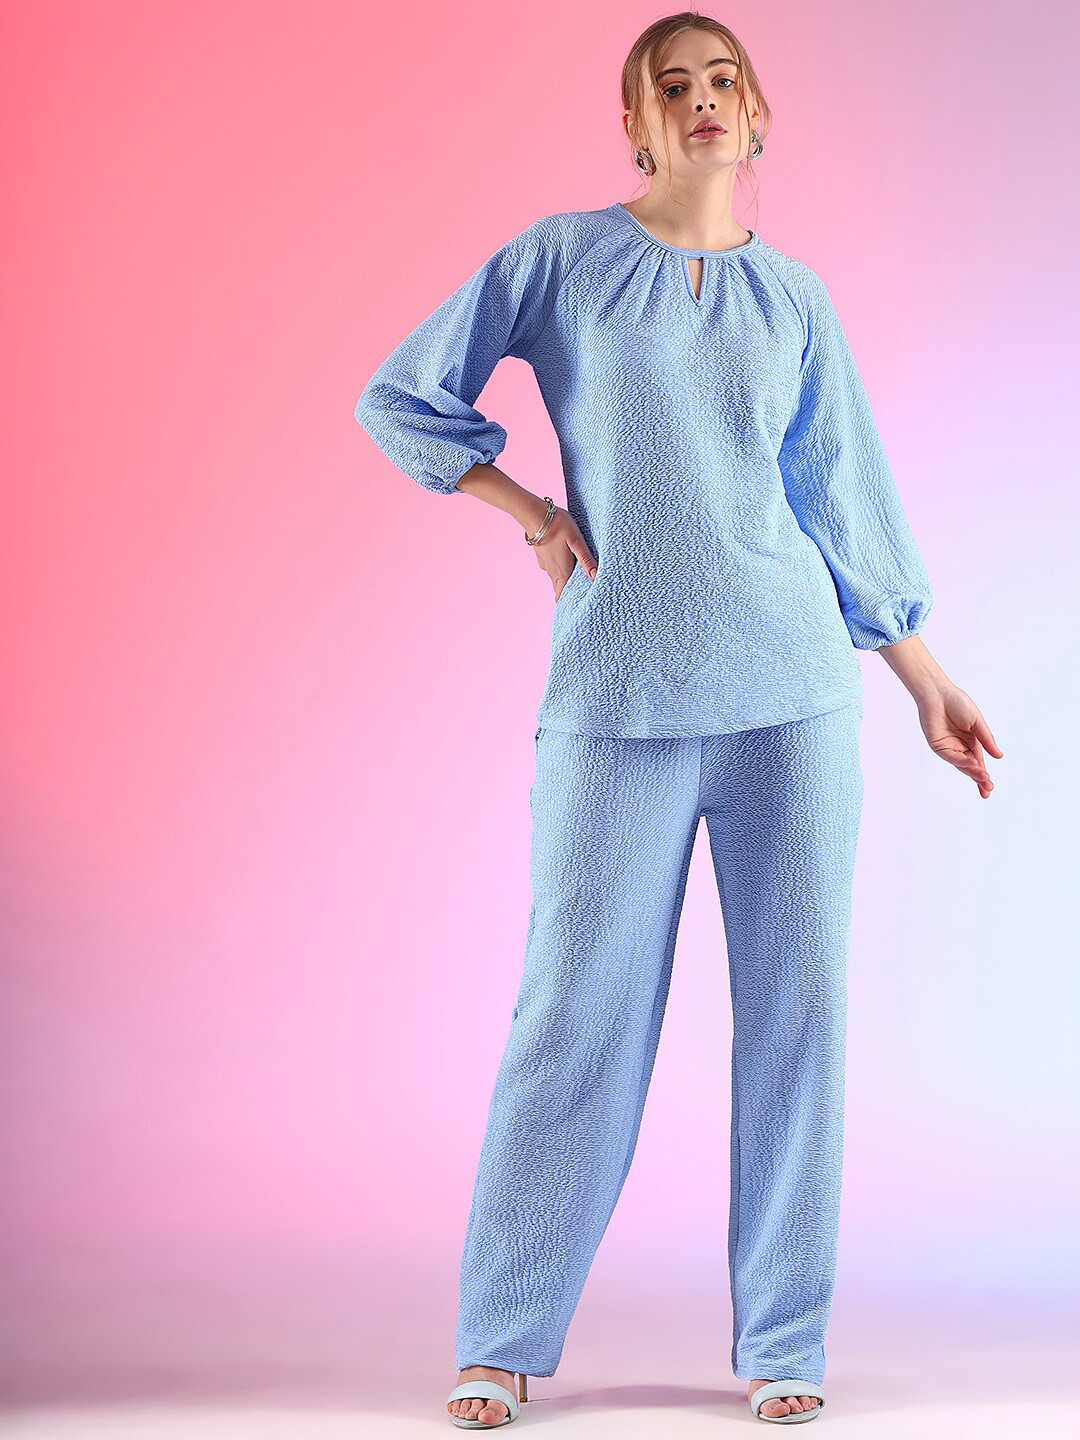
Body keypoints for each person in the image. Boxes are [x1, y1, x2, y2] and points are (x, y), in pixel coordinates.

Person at [354, 14, 1002, 1429]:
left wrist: (925, 678)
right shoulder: (561, 260)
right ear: (637, 124)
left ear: (756, 115)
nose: (701, 100)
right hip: (617, 700)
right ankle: (501, 1336)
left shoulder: (796, 301)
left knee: (799, 1016)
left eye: (723, 81)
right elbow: (400, 397)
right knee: (574, 1011)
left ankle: (784, 1342)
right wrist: (528, 511)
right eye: (672, 84)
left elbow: (839, 500)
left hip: (793, 703)